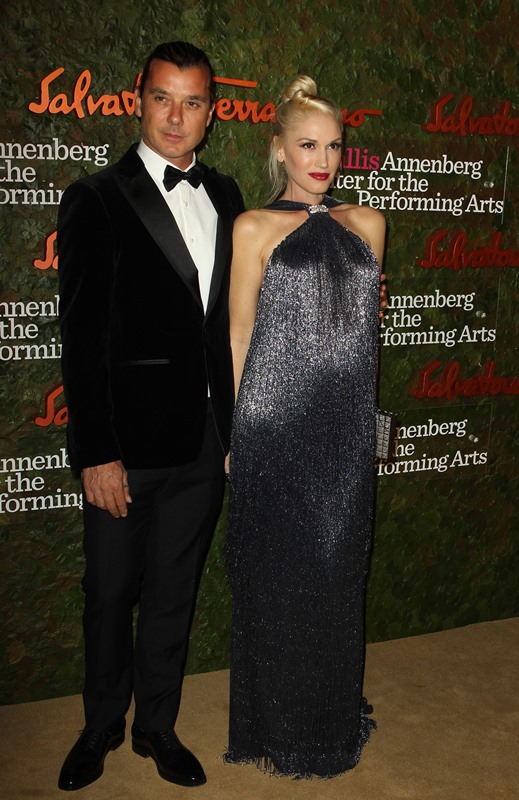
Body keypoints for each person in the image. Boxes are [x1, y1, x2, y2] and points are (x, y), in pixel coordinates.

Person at [57, 41, 244, 791]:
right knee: (109, 593)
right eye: (162, 98)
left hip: (205, 443)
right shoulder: (97, 197)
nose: (175, 116)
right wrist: (95, 451)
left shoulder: (227, 195)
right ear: (138, 98)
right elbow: (81, 340)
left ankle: (156, 727)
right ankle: (101, 722)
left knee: (174, 592)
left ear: (211, 113)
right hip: (125, 449)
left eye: (191, 102)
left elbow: (240, 314)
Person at [224, 75, 386, 778]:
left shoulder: (369, 224)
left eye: (334, 146)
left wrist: (361, 427)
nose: (322, 160)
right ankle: (276, 724)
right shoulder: (252, 228)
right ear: (279, 149)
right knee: (277, 578)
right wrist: (237, 434)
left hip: (341, 431)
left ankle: (327, 717)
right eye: (308, 145)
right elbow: (238, 337)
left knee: (336, 575)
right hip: (271, 426)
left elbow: (361, 338)